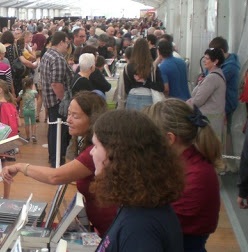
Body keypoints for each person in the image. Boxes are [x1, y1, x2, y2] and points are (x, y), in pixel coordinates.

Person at [2, 91, 117, 236]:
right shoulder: (87, 145)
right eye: (68, 113)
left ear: (93, 119)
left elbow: (55, 176)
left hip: (109, 226)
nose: (68, 119)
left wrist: (20, 166)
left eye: (75, 116)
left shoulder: (93, 152)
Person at [91, 109, 185, 251]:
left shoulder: (139, 228)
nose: (91, 152)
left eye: (96, 146)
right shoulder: (138, 206)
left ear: (116, 154)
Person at [144, 99, 221, 251]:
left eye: (150, 139)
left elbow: (155, 221)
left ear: (169, 139)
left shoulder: (197, 176)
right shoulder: (184, 162)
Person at [39, 31, 72, 168]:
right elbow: (56, 83)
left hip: (49, 100)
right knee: (59, 131)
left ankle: (54, 157)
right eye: (67, 43)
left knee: (53, 130)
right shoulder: (57, 58)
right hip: (57, 102)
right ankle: (57, 160)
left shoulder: (47, 54)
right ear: (61, 42)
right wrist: (64, 99)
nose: (67, 46)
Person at [187, 48, 226, 143]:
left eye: (207, 58)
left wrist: (187, 103)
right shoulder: (217, 75)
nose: (204, 60)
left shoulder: (212, 78)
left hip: (207, 120)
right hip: (214, 118)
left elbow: (198, 100)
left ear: (216, 61)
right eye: (204, 58)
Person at [208, 37, 240, 136]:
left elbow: (212, 81)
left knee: (225, 132)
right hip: (219, 103)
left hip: (227, 104)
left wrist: (210, 66)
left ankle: (224, 151)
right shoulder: (221, 63)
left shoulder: (231, 67)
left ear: (221, 51)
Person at [123, 38, 164, 110]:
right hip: (148, 97)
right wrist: (145, 82)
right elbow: (161, 87)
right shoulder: (152, 67)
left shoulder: (127, 67)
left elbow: (126, 89)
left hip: (132, 97)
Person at [18, 78, 38, 143]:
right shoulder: (34, 92)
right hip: (32, 110)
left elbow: (18, 99)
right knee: (33, 123)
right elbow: (37, 97)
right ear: (31, 85)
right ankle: (34, 135)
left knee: (26, 124)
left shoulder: (22, 92)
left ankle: (27, 137)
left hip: (25, 110)